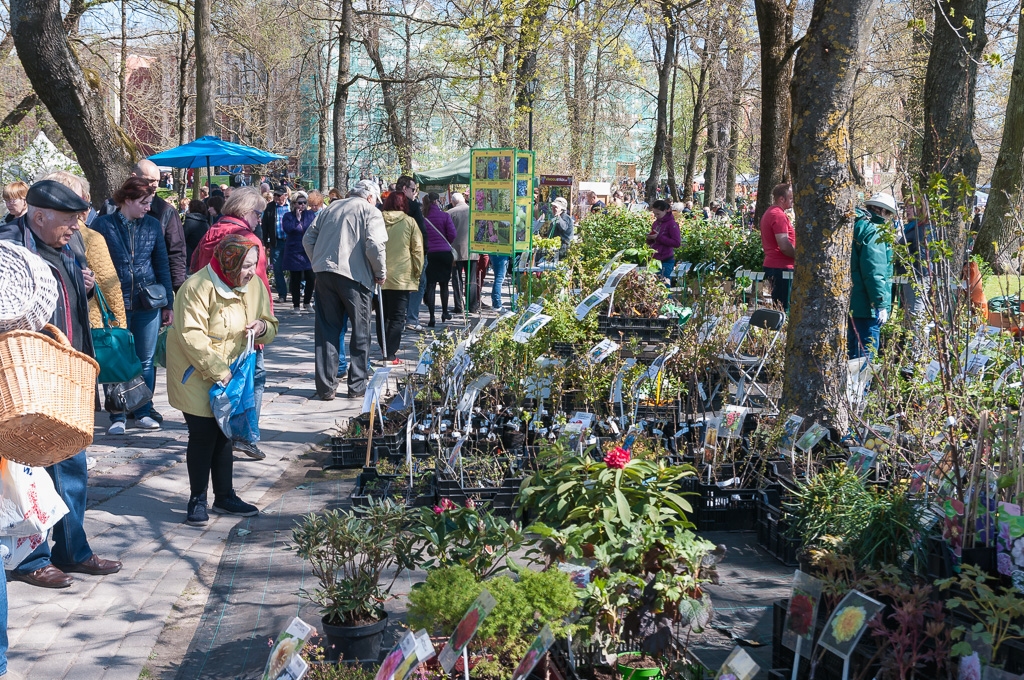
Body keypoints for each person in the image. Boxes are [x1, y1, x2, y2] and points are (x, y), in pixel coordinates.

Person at [0, 180, 122, 589]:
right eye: (68, 219)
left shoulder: (71, 246)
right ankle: (31, 559)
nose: (75, 227)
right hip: (26, 377)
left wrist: (85, 289)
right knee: (28, 470)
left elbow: (72, 304)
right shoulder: (8, 250)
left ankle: (73, 550)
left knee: (71, 463)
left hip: (66, 373)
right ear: (39, 216)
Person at [167, 235, 278, 526]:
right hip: (195, 373)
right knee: (204, 434)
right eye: (246, 266)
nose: (252, 272)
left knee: (225, 433)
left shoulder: (255, 286)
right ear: (229, 262)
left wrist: (262, 326)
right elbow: (191, 337)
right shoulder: (196, 287)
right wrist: (220, 372)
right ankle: (197, 499)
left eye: (255, 265)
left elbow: (271, 325)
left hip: (234, 374)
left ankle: (225, 496)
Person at [190, 188, 273, 460]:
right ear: (245, 211)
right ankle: (245, 436)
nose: (259, 220)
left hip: (211, 316)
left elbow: (194, 266)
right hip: (243, 319)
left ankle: (219, 429)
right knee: (252, 378)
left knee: (216, 378)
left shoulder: (210, 232)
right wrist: (263, 323)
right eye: (258, 214)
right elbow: (257, 284)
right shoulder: (248, 240)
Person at [91, 177, 174, 434]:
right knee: (116, 359)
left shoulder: (152, 225)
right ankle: (117, 415)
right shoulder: (103, 225)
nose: (148, 207)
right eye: (143, 202)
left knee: (145, 360)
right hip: (114, 303)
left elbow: (162, 264)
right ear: (127, 200)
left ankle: (142, 411)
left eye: (150, 202)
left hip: (147, 302)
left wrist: (168, 304)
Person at [303, 179, 387, 400]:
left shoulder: (330, 208)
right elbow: (375, 245)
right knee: (361, 332)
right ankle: (357, 385)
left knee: (327, 330)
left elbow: (308, 239)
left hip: (325, 274)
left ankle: (325, 387)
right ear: (370, 197)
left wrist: (318, 262)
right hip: (355, 277)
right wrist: (380, 272)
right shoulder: (370, 211)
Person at [116, 160, 187, 293]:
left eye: (158, 181)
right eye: (150, 180)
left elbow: (176, 252)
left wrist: (178, 287)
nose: (155, 185)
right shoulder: (110, 209)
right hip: (115, 289)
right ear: (134, 177)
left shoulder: (166, 211)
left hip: (152, 291)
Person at [377, 191, 423, 364]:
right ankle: (390, 353)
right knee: (397, 316)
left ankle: (384, 348)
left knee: (383, 315)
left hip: (379, 275)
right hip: (402, 276)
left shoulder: (377, 220)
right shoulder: (409, 222)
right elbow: (417, 250)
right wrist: (417, 272)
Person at [848, 193, 896, 359]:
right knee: (865, 356)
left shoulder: (856, 225)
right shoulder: (874, 231)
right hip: (867, 307)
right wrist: (880, 303)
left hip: (852, 303)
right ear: (882, 211)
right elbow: (875, 271)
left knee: (851, 354)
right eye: (889, 214)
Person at [421, 192, 457, 327]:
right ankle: (445, 312)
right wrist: (446, 243)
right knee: (444, 284)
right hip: (444, 253)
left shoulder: (423, 217)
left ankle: (431, 317)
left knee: (430, 285)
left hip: (429, 254)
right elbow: (452, 234)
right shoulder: (445, 216)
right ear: (437, 201)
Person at [759, 183, 796, 311]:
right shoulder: (778, 215)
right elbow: (784, 245)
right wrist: (801, 257)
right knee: (783, 308)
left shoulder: (772, 212)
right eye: (791, 198)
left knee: (780, 306)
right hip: (781, 267)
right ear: (781, 199)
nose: (793, 201)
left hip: (777, 266)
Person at [397, 176, 426, 330]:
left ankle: (399, 317)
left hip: (394, 253)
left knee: (398, 285)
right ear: (405, 189)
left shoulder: (387, 206)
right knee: (418, 283)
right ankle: (411, 318)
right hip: (413, 252)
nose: (415, 193)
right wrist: (424, 251)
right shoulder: (413, 207)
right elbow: (421, 232)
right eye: (413, 189)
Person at [281, 190, 316, 312]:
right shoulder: (288, 216)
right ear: (294, 204)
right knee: (295, 279)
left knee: (311, 277)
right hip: (294, 251)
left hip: (307, 250)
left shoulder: (310, 215)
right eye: (300, 203)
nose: (302, 205)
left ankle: (307, 302)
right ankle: (296, 305)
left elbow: (313, 229)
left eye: (304, 203)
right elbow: (288, 229)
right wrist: (297, 219)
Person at [448, 193, 476, 314]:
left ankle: (459, 306)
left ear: (453, 202)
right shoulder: (474, 211)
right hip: (472, 250)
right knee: (472, 279)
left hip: (456, 251)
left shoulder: (450, 213)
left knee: (457, 278)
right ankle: (473, 306)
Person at [261, 187, 290, 303]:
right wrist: (265, 242)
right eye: (275, 195)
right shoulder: (270, 207)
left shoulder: (292, 206)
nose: (276, 198)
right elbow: (265, 226)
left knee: (294, 268)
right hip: (276, 242)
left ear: (285, 195)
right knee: (277, 268)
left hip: (291, 242)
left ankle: (296, 292)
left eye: (279, 195)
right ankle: (282, 294)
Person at [647, 200, 681, 281]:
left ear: (665, 211)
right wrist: (649, 238)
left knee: (664, 284)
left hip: (666, 260)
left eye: (658, 214)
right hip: (655, 259)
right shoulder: (656, 223)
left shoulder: (672, 224)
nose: (656, 216)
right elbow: (653, 241)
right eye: (654, 214)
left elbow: (677, 243)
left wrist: (658, 237)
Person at [182, 199, 210, 267]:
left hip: (189, 258)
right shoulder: (206, 224)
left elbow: (181, 239)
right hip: (201, 258)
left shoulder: (189, 222)